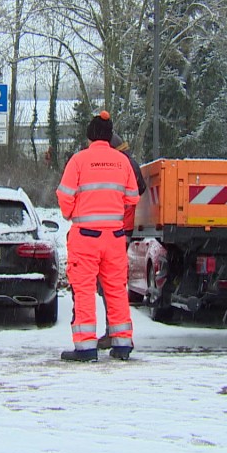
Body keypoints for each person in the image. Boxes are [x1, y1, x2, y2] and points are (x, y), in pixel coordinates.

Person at [57, 111, 140, 362]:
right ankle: (122, 344)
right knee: (116, 289)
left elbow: (64, 195)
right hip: (114, 237)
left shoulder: (79, 160)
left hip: (85, 236)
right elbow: (133, 198)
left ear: (90, 135)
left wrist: (71, 213)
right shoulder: (122, 161)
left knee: (83, 291)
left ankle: (85, 348)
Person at [96, 132, 147, 349]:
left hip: (115, 230)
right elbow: (139, 189)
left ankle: (114, 332)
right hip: (119, 229)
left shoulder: (122, 163)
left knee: (110, 284)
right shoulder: (129, 163)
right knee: (112, 284)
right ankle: (117, 333)